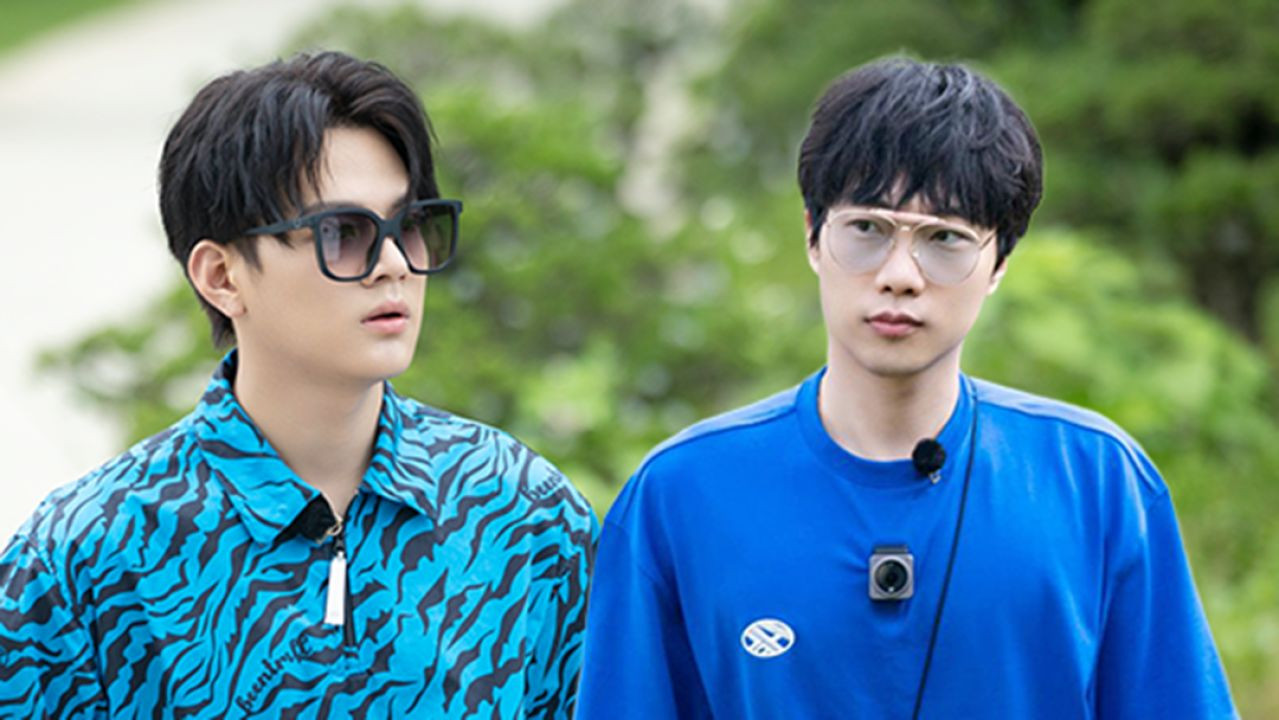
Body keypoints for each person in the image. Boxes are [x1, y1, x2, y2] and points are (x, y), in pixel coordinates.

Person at [576, 57, 1237, 719]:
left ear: (999, 262)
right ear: (812, 234)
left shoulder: (1095, 480)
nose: (900, 274)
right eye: (867, 229)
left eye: (945, 239)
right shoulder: (680, 494)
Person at [0, 51, 596, 718]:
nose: (394, 264)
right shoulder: (84, 560)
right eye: (343, 233)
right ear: (221, 277)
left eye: (408, 226)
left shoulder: (523, 516)